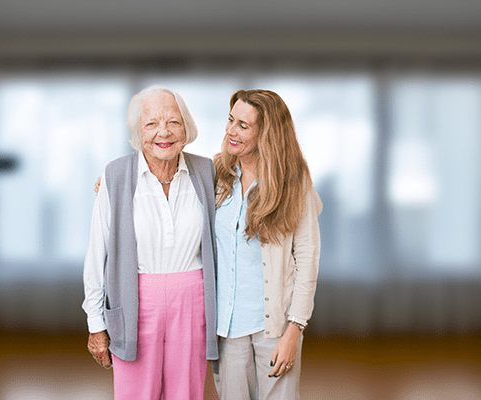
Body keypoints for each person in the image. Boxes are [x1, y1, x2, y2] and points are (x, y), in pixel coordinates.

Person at [82, 85, 218, 399]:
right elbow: (96, 254)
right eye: (151, 124)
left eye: (174, 121)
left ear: (187, 128)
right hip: (135, 301)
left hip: (193, 302)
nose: (164, 132)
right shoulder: (115, 176)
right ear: (137, 132)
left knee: (186, 393)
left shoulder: (207, 171)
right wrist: (95, 323)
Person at [212, 89, 323, 399]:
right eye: (231, 120)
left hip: (274, 329)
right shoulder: (216, 173)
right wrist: (112, 182)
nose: (231, 130)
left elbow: (307, 259)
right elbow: (168, 176)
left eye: (243, 125)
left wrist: (294, 330)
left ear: (267, 133)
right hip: (227, 328)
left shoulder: (295, 183)